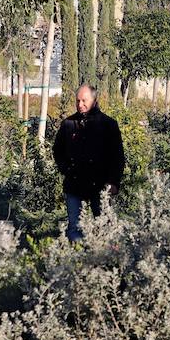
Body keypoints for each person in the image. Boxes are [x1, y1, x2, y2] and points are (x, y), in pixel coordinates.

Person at [53, 84, 125, 241]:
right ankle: (77, 260)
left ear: (94, 100)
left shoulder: (108, 124)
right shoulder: (68, 124)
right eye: (77, 101)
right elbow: (57, 151)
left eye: (84, 101)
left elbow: (117, 156)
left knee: (104, 227)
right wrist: (66, 169)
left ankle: (103, 261)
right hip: (74, 184)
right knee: (74, 228)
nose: (80, 105)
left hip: (100, 185)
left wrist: (114, 181)